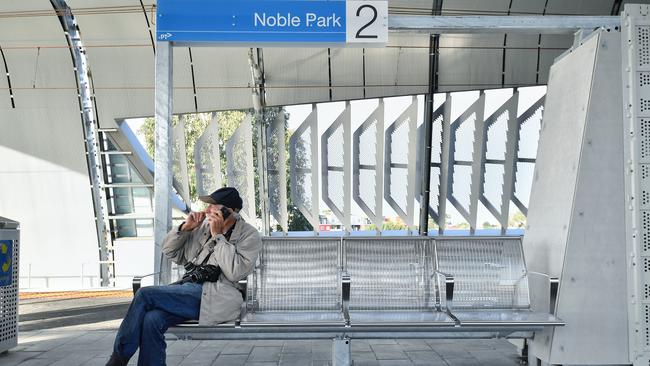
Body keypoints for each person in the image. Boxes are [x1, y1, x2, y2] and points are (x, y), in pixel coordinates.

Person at [106, 187, 262, 366]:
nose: (207, 210)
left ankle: (117, 360)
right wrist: (184, 229)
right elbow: (170, 252)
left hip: (218, 297)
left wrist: (218, 236)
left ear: (231, 211)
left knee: (144, 294)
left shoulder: (249, 235)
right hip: (187, 291)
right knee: (152, 320)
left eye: (213, 206)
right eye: (207, 206)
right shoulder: (202, 227)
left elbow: (236, 272)